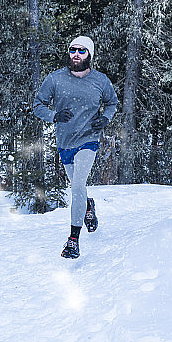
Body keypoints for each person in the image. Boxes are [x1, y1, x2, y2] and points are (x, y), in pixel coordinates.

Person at [32, 36, 119, 259]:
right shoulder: (55, 79)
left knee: (77, 184)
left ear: (89, 55)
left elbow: (112, 102)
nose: (76, 55)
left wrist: (106, 118)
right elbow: (38, 104)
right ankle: (88, 206)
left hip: (89, 140)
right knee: (78, 188)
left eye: (82, 51)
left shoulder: (100, 81)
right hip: (65, 143)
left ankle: (73, 240)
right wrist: (54, 116)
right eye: (73, 50)